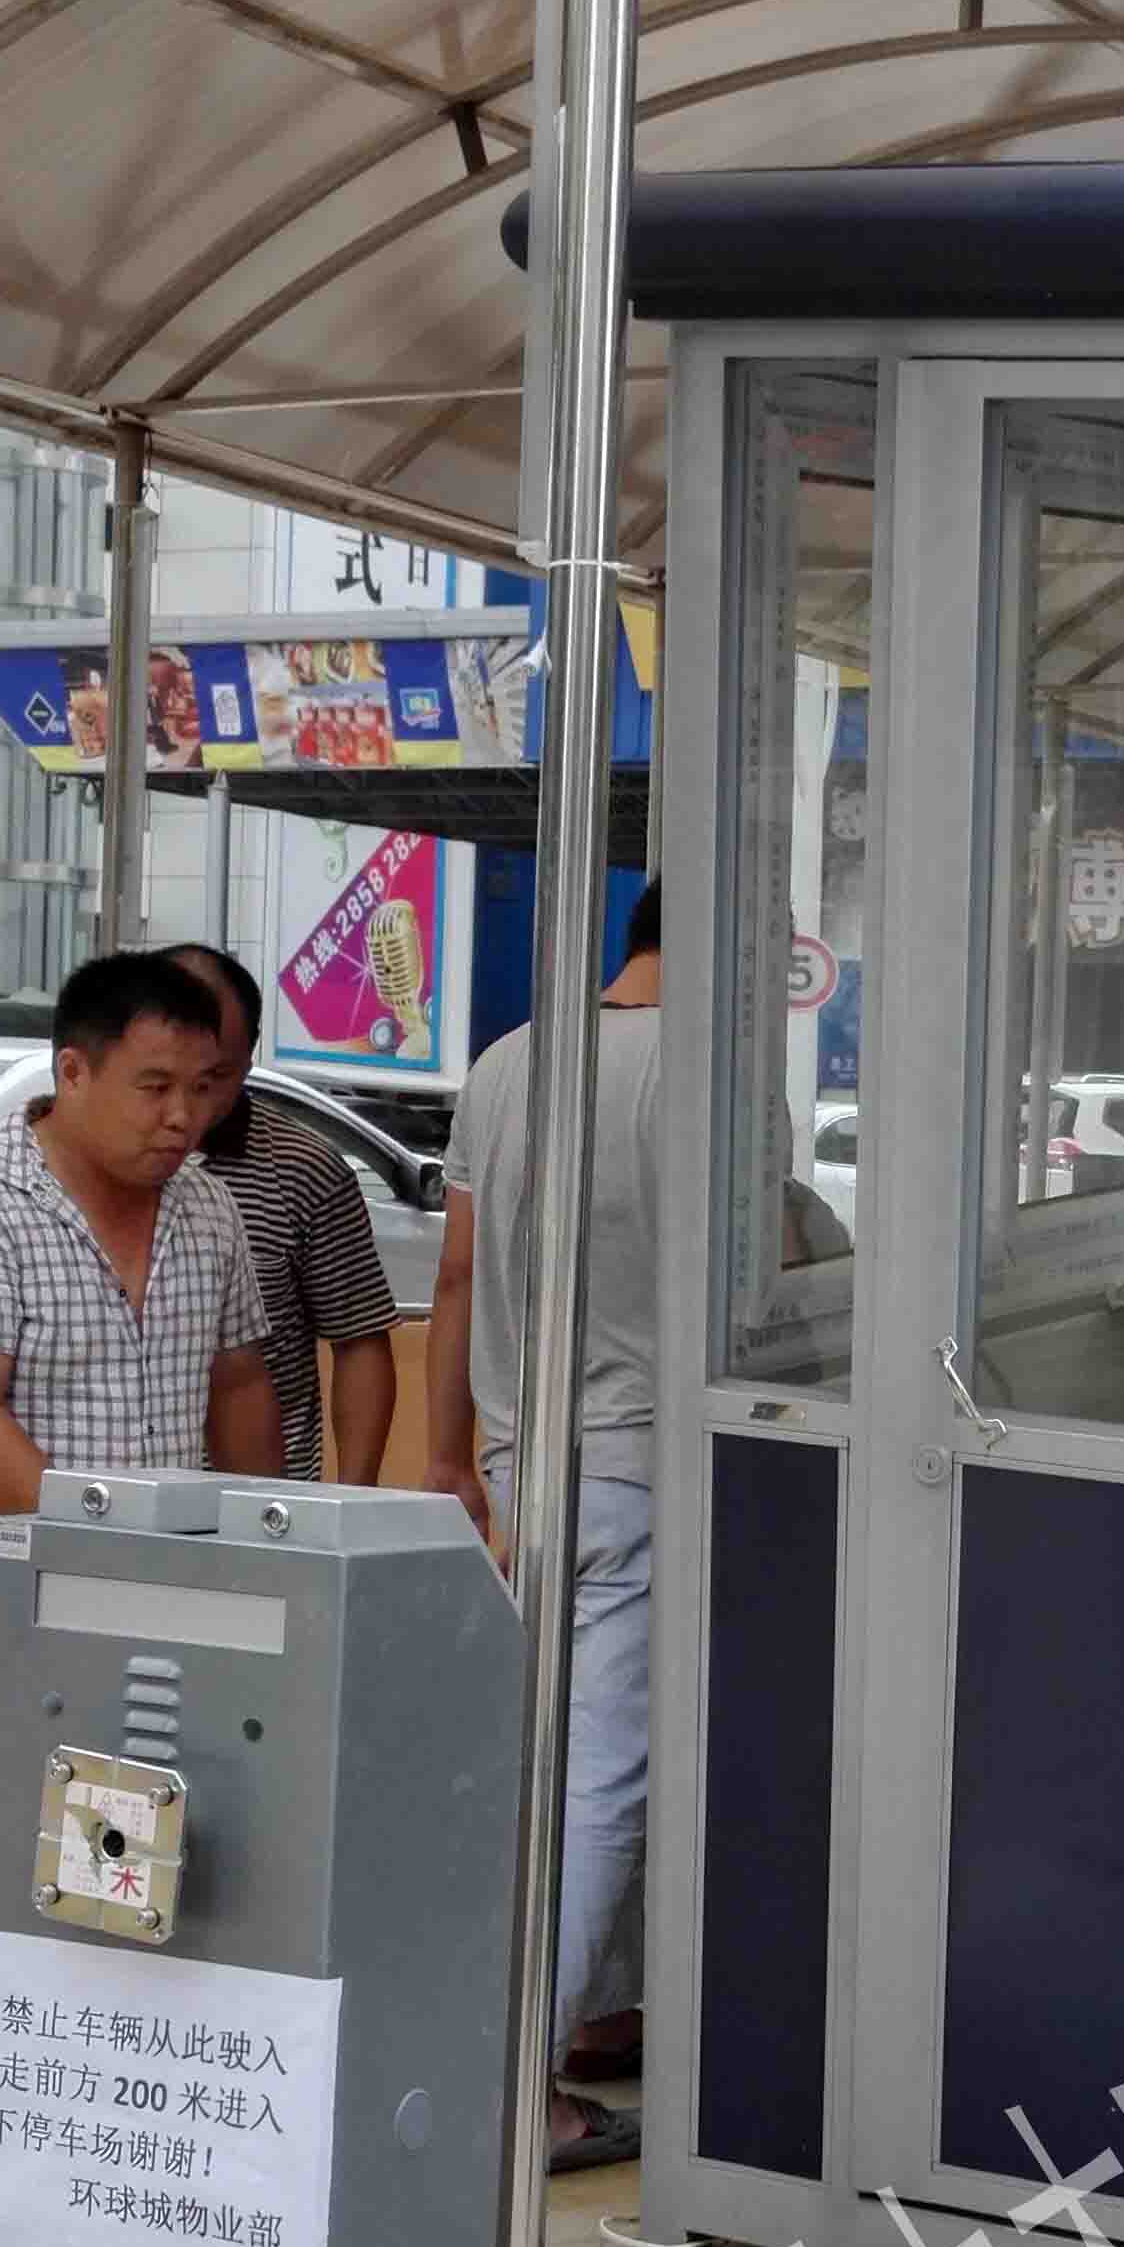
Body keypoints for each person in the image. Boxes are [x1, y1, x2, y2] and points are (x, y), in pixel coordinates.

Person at [0, 951, 279, 2235]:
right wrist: (98, 1571)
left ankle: (99, 2126)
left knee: (140, 1878)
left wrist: (267, 1550)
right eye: (154, 1086)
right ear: (73, 1070)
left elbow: (241, 1383)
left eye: (203, 1087)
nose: (182, 1116)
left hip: (171, 1622)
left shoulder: (207, 1211)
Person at [429, 880, 663, 2170]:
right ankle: (515, 2079)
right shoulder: (714, 1076)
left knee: (540, 1761)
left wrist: (446, 1454)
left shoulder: (509, 1060)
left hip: (525, 1474)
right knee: (609, 1777)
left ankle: (591, 2022)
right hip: (647, 1468)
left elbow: (457, 1271)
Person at [161, 941, 398, 1483]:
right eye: (163, 1077)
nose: (185, 1105)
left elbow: (358, 1338)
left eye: (213, 1078)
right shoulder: (80, 1171)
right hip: (114, 1497)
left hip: (264, 1499)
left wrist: (351, 1499)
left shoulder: (303, 1169)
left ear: (249, 1060)